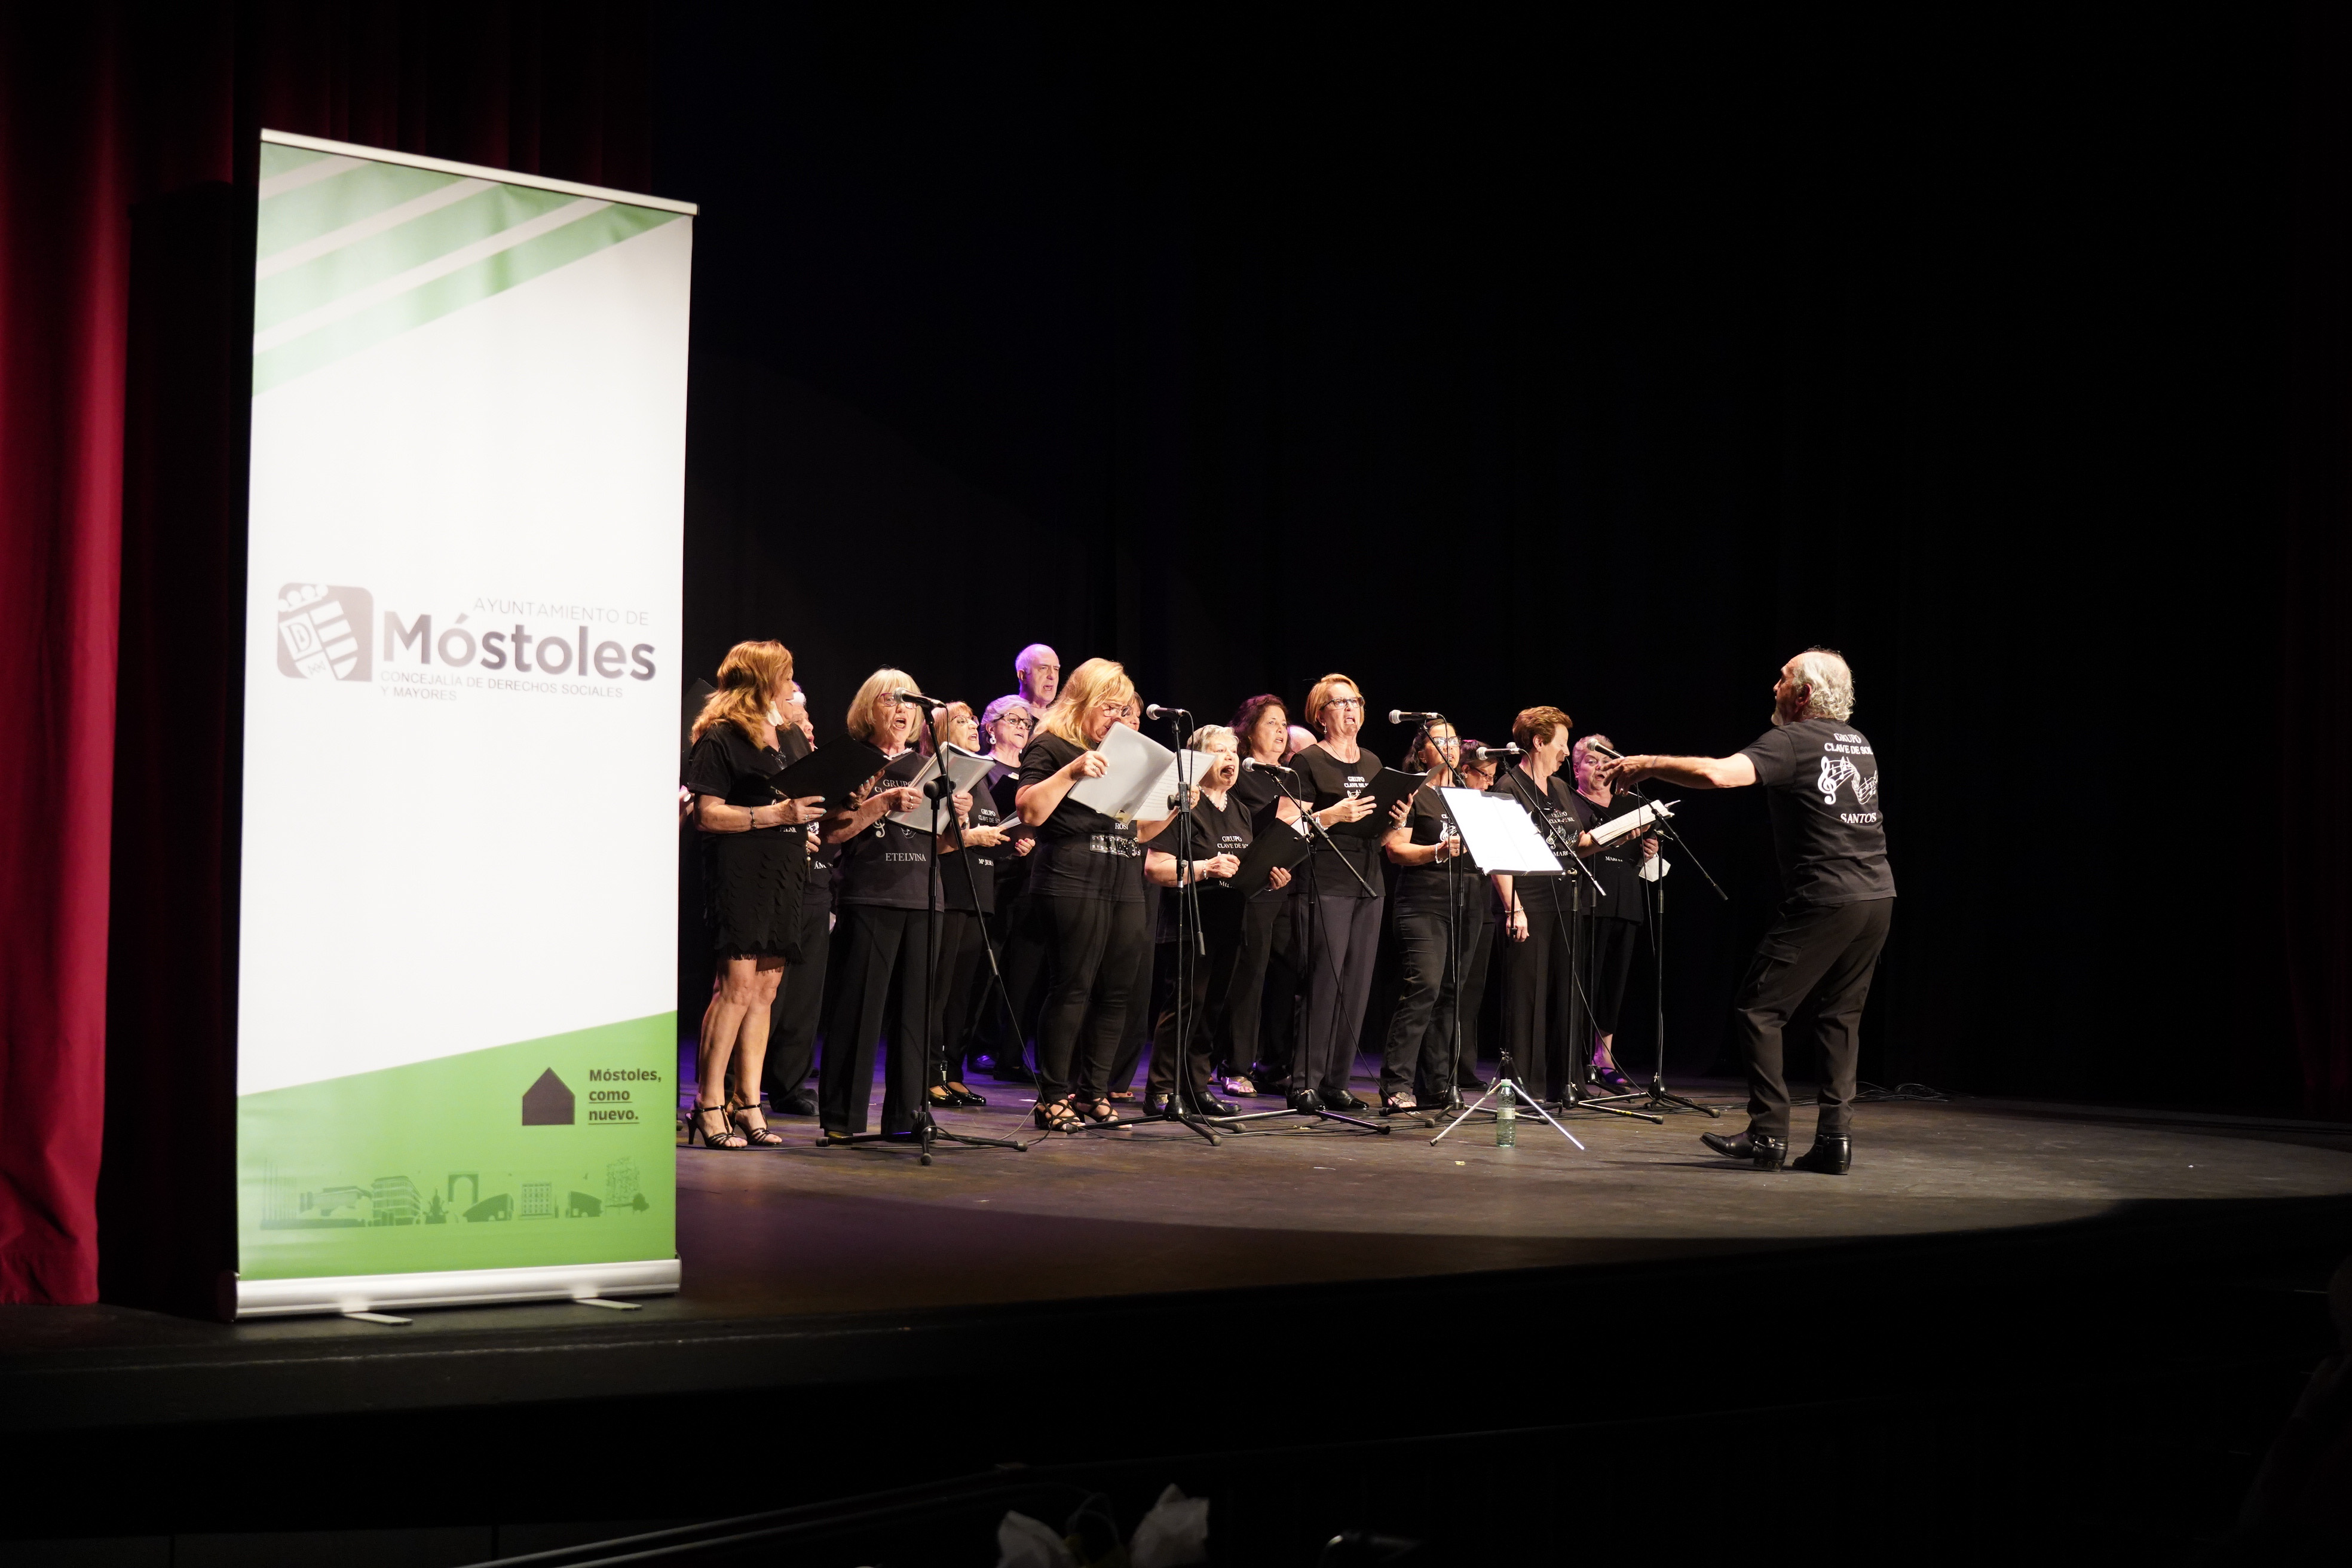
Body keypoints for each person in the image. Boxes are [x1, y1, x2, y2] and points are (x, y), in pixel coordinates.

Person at [1597, 648, 1894, 1174]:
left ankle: (1768, 1133)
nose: (1774, 688)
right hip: (1876, 896)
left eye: (1782, 679)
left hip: (1828, 896)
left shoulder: (1795, 740)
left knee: (1760, 1008)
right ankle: (1834, 1140)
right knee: (1840, 1016)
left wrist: (1649, 765)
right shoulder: (1858, 741)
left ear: (1804, 693)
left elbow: (1720, 775)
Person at [1014, 658, 1183, 1131]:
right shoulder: (1050, 744)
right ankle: (1052, 1097)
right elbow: (1029, 811)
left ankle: (1093, 1093)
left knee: (1116, 992)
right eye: (1108, 707)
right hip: (1071, 878)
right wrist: (1072, 770)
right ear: (1082, 702)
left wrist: (1173, 807)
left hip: (1122, 880)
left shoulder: (1118, 755)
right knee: (1072, 987)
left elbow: (1138, 831)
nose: (1117, 717)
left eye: (1123, 709)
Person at [678, 642, 828, 1149]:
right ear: (763, 680)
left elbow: (809, 797)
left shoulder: (789, 736)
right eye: (785, 675)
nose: (790, 685)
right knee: (736, 989)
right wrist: (776, 815)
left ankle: (747, 1102)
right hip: (740, 869)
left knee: (766, 990)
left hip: (786, 869)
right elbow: (708, 814)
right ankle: (708, 1103)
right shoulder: (720, 736)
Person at [1142, 724, 1298, 1114]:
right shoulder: (1181, 804)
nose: (1230, 758)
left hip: (1231, 922)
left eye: (1233, 752)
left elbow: (1244, 869)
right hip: (1190, 921)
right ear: (1197, 760)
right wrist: (1205, 868)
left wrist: (1268, 877)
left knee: (1212, 1009)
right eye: (1219, 751)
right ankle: (1161, 1090)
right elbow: (1155, 868)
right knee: (1185, 1005)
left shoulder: (1241, 810)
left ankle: (1196, 1088)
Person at [815, 670, 935, 1143]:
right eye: (891, 700)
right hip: (869, 895)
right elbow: (831, 833)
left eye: (909, 701)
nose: (902, 709)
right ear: (869, 708)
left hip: (925, 896)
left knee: (915, 1016)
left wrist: (956, 816)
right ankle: (842, 1118)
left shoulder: (929, 766)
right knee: (858, 1010)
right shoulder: (852, 760)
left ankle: (907, 1117)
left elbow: (947, 844)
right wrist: (881, 803)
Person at [1283, 673, 1395, 1113]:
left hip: (1368, 881)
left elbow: (1380, 833)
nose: (1351, 709)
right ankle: (1304, 1082)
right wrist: (1332, 815)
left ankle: (1336, 1082)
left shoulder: (1373, 761)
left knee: (1356, 987)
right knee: (1323, 984)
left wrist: (1395, 817)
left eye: (1356, 701)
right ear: (1321, 715)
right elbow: (1288, 825)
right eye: (1340, 702)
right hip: (1323, 882)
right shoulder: (1307, 762)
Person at [1377, 721, 1481, 1111]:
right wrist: (1437, 851)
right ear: (1421, 753)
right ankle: (1397, 1083)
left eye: (1454, 740)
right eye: (1440, 740)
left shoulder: (1469, 796)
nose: (1450, 746)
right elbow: (1395, 849)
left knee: (1452, 992)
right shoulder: (1414, 793)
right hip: (1423, 900)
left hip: (1467, 899)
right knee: (1424, 986)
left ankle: (1438, 1083)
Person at [921, 701, 1019, 1110]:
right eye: (961, 721)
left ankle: (954, 1073)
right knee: (939, 990)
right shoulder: (939, 774)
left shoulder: (978, 777)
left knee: (964, 993)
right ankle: (929, 1075)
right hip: (951, 890)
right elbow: (933, 836)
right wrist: (972, 836)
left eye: (973, 720)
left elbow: (982, 831)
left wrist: (1006, 842)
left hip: (980, 892)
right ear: (940, 731)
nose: (973, 725)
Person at [1492, 706, 1586, 1102]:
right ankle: (1521, 1087)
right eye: (1561, 744)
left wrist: (1621, 833)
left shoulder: (1560, 788)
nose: (1566, 752)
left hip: (1563, 900)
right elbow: (1498, 854)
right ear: (1538, 742)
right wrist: (1513, 907)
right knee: (1527, 996)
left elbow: (1576, 843)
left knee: (1565, 993)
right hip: (1527, 899)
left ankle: (1566, 1083)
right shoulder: (1508, 787)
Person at [1568, 733, 1661, 1094]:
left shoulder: (1631, 804)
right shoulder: (1570, 803)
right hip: (1587, 902)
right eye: (1591, 761)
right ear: (1576, 767)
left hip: (1626, 902)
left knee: (1613, 986)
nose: (1600, 768)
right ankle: (1575, 1060)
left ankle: (1603, 1059)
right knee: (1584, 983)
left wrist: (1650, 848)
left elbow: (1642, 855)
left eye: (1606, 761)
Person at [1229, 694, 1299, 1096]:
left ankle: (1273, 1065)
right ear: (1249, 729)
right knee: (1249, 977)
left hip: (1285, 884)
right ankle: (1235, 1065)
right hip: (1250, 886)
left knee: (1284, 976)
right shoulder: (1240, 772)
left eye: (1283, 724)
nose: (1280, 731)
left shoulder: (1290, 776)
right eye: (1271, 723)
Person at [1013, 644, 1060, 710]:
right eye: (1043, 668)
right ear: (1023, 676)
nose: (1053, 676)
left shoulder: (1062, 716)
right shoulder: (1009, 714)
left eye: (1056, 669)